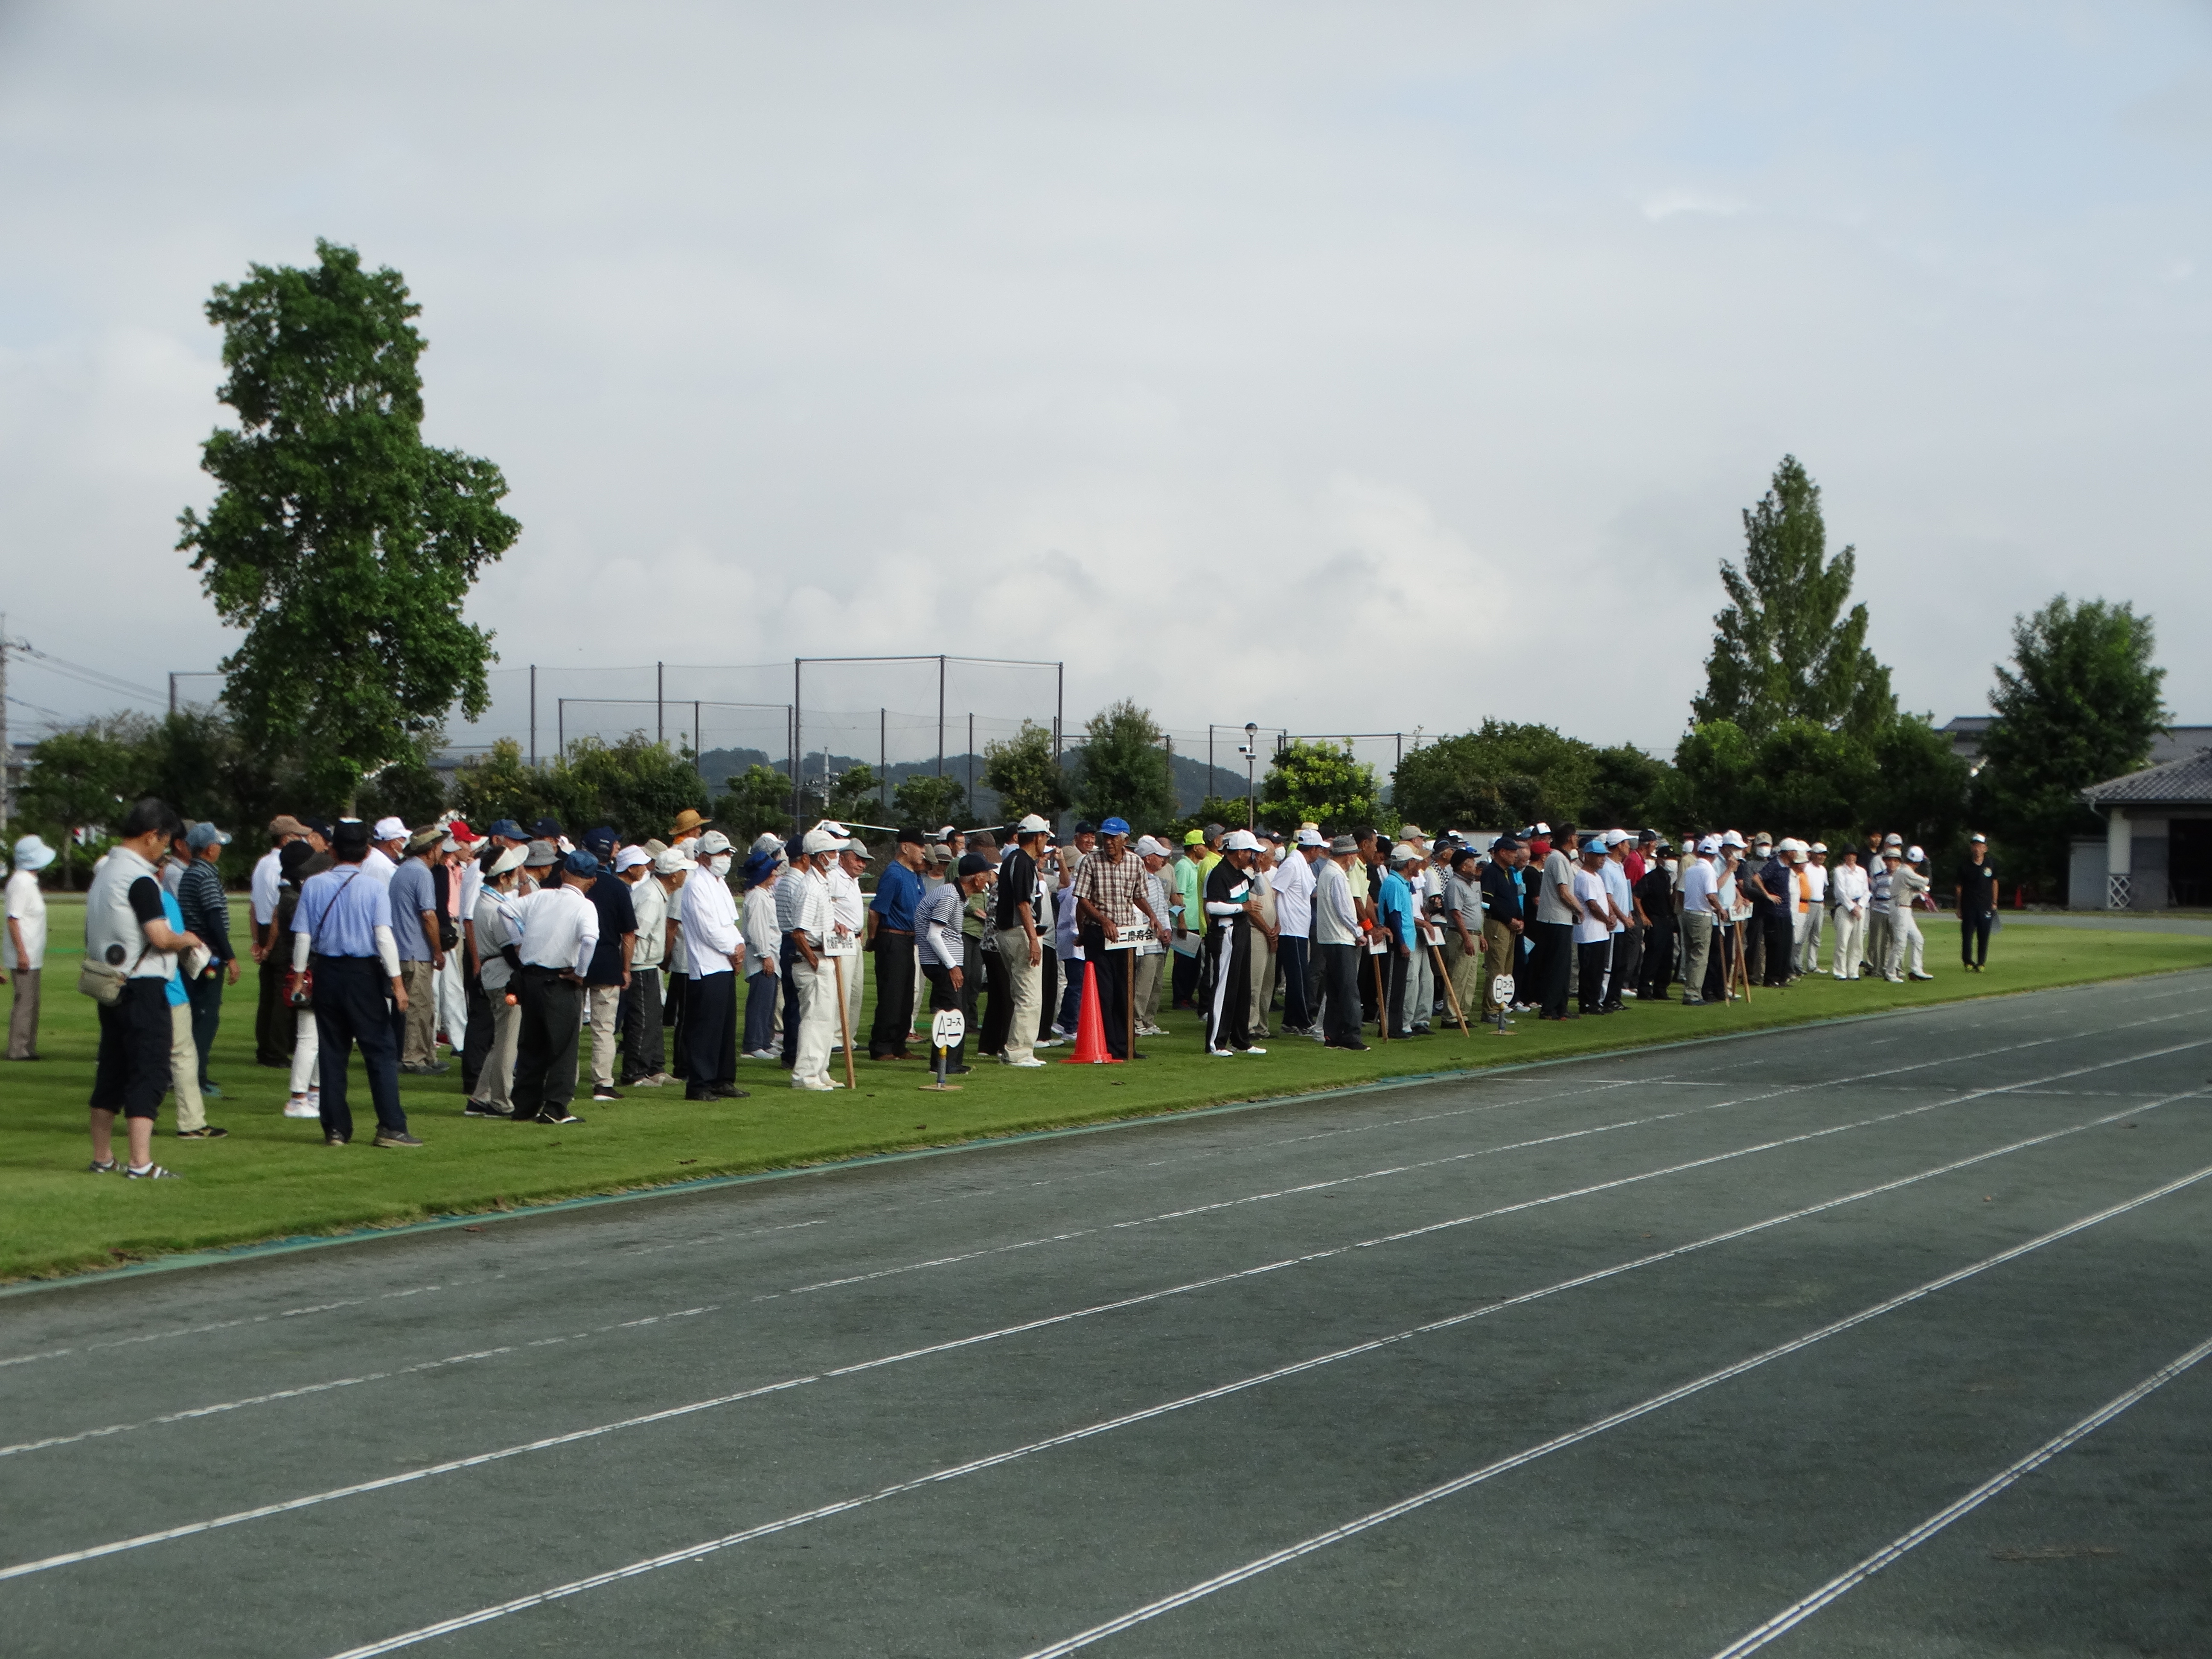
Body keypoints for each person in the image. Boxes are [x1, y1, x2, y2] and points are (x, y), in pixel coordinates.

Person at [291, 818, 421, 1147]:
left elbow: (303, 936)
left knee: (332, 1053)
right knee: (379, 1050)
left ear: (332, 850)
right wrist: (398, 984)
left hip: (328, 973)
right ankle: (391, 1125)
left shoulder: (314, 886)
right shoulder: (374, 888)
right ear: (366, 852)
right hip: (362, 974)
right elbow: (383, 937)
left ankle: (335, 1128)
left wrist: (298, 976)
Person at [509, 850, 604, 1124]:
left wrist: (519, 942)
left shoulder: (541, 896)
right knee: (563, 1046)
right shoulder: (585, 906)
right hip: (560, 981)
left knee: (532, 1044)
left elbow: (505, 910)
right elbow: (589, 940)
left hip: (530, 978)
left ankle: (524, 1106)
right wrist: (580, 974)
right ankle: (555, 1108)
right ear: (592, 881)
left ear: (563, 873)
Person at [1073, 817, 1166, 1059]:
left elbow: (1138, 896)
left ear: (1125, 839)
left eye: (1114, 838)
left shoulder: (1135, 863)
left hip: (1125, 935)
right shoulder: (1090, 861)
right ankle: (1107, 1045)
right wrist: (1103, 921)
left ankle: (1126, 1047)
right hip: (1099, 932)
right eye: (1106, 837)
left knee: (1125, 991)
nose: (1108, 842)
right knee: (1105, 991)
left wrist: (1153, 917)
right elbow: (1082, 898)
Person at [174, 821, 239, 1099]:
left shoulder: (191, 873)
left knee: (196, 1015)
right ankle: (196, 1077)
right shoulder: (206, 876)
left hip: (193, 954)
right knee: (206, 1017)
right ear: (210, 848)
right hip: (208, 956)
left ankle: (194, 1074)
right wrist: (230, 957)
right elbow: (214, 919)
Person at [464, 844, 529, 1118]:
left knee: (501, 1038)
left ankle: (481, 1097)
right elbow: (511, 953)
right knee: (507, 1042)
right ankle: (501, 1101)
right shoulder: (497, 909)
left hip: (494, 976)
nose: (516, 876)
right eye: (513, 873)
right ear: (503, 877)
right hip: (504, 977)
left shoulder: (486, 902)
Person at [575, 828, 637, 1103]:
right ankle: (603, 1083)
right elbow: (629, 934)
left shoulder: (569, 884)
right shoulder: (616, 887)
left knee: (570, 1027)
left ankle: (566, 1079)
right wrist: (627, 969)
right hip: (608, 962)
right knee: (604, 1028)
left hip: (573, 961)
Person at [680, 832, 745, 1098]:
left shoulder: (719, 883)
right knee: (706, 1028)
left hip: (725, 963)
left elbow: (729, 924)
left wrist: (739, 947)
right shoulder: (696, 885)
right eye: (720, 854)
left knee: (725, 1026)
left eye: (728, 854)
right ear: (704, 857)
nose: (725, 859)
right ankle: (700, 1084)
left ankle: (722, 1079)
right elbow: (708, 930)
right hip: (707, 965)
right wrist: (733, 950)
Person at [786, 827, 844, 1091]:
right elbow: (798, 932)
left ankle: (820, 1069)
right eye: (832, 852)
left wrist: (837, 927)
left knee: (827, 1019)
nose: (836, 856)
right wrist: (814, 961)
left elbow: (819, 925)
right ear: (820, 857)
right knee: (814, 1019)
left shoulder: (822, 884)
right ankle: (805, 1074)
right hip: (814, 960)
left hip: (825, 956)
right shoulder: (810, 887)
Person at [920, 851, 990, 1074]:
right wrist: (952, 966)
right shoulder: (950, 896)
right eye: (986, 874)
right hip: (941, 962)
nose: (988, 878)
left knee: (953, 1011)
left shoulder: (956, 895)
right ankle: (944, 1064)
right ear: (977, 878)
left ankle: (949, 1062)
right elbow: (934, 934)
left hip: (942, 961)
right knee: (953, 1012)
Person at [1200, 829, 1268, 1055]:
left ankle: (1241, 1040)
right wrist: (1242, 907)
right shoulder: (1219, 873)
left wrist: (1257, 870)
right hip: (1226, 931)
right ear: (1239, 852)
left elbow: (1259, 889)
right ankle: (1216, 1043)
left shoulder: (1241, 872)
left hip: (1241, 930)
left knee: (1242, 986)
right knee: (1223, 988)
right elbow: (1211, 906)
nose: (1253, 856)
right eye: (1250, 852)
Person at [990, 815, 1050, 1067]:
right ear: (1037, 837)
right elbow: (1023, 903)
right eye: (1045, 836)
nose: (1045, 842)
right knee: (1030, 996)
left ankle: (1014, 1048)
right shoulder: (1024, 862)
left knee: (1020, 994)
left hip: (1007, 932)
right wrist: (1033, 939)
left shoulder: (1011, 860)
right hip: (1020, 932)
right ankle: (1019, 1052)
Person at [275, 838, 329, 1118]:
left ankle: (314, 1092)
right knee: (309, 1037)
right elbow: (303, 939)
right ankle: (298, 1097)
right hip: (306, 971)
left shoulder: (294, 896)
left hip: (309, 968)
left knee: (317, 1036)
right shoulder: (295, 900)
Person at [388, 827, 447, 1073]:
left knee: (423, 1007)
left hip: (402, 949)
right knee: (419, 1008)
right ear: (432, 849)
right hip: (415, 951)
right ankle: (414, 1058)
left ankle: (427, 1056)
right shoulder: (421, 874)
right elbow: (428, 915)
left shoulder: (404, 870)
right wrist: (438, 950)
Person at [251, 815, 308, 1066]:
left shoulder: (262, 864)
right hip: (280, 932)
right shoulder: (280, 867)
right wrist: (271, 946)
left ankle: (265, 1047)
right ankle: (276, 1050)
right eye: (297, 837)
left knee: (268, 995)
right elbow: (278, 911)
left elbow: (254, 907)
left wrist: (258, 942)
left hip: (264, 930)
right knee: (282, 996)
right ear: (285, 839)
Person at [866, 829, 926, 1061]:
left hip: (908, 939)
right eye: (919, 846)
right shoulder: (894, 873)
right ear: (905, 847)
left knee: (905, 996)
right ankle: (882, 1046)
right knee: (892, 994)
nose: (923, 851)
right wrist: (874, 940)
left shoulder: (913, 875)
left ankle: (899, 1044)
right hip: (893, 937)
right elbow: (875, 910)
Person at [617, 845, 669, 1085]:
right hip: (640, 964)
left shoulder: (652, 892)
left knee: (653, 1017)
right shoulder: (650, 895)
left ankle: (653, 1067)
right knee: (642, 1019)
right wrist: (627, 967)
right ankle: (635, 1072)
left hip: (648, 964)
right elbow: (635, 935)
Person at [1312, 834, 1367, 1050]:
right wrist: (1358, 932)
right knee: (1348, 990)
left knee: (1335, 990)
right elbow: (1344, 910)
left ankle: (1332, 1036)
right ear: (1348, 856)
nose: (1355, 860)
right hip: (1340, 938)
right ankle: (1351, 1036)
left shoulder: (1328, 872)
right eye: (1354, 855)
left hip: (1329, 938)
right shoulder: (1337, 876)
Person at [6, 833, 56, 1060]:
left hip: (32, 954)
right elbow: (13, 919)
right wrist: (21, 953)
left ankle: (27, 1046)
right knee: (25, 1002)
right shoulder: (21, 883)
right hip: (24, 954)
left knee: (31, 1001)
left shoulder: (28, 882)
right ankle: (18, 1049)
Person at [1270, 828, 1319, 1034]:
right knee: (1299, 976)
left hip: (1299, 928)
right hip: (1290, 929)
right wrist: (1277, 922)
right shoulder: (1292, 864)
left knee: (1299, 975)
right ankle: (1302, 1020)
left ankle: (1291, 1020)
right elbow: (1275, 892)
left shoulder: (1303, 864)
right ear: (1314, 849)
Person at [738, 849, 783, 1062]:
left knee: (769, 1000)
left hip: (772, 954)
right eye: (772, 873)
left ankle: (765, 1041)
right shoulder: (757, 896)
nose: (775, 876)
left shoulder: (765, 895)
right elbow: (757, 930)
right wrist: (765, 955)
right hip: (762, 956)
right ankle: (753, 1044)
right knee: (760, 1000)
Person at [827, 838, 871, 1057]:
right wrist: (834, 923)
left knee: (856, 991)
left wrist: (859, 928)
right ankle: (836, 1037)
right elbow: (826, 904)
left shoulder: (854, 880)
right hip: (840, 940)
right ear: (843, 858)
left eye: (865, 861)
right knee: (841, 989)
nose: (862, 864)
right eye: (858, 859)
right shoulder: (834, 877)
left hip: (855, 940)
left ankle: (849, 1037)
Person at [1534, 828, 1583, 1020]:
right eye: (1576, 836)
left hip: (1560, 918)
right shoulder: (1559, 859)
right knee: (1558, 965)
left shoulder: (1560, 859)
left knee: (1563, 966)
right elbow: (1563, 891)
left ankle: (1560, 1007)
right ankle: (1550, 1007)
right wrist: (1579, 909)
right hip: (1556, 919)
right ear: (1570, 838)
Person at [1133, 836, 1176, 1038]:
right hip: (1146, 940)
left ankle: (1149, 1020)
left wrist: (1167, 930)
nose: (1163, 861)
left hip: (1159, 940)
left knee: (1156, 983)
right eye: (1159, 857)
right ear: (1148, 858)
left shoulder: (1157, 880)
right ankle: (1136, 1020)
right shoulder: (1139, 878)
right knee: (1144, 982)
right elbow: (1140, 911)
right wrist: (1157, 931)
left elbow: (1163, 910)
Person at [1571, 838, 1615, 1015]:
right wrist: (1607, 919)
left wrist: (1610, 917)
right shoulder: (1584, 877)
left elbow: (1604, 900)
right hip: (1589, 931)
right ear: (1587, 856)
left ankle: (1595, 1000)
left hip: (1600, 931)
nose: (1603, 859)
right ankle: (1587, 1003)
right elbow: (1592, 905)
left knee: (1597, 969)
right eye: (1599, 856)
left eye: (1604, 856)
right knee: (1589, 970)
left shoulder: (1597, 876)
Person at [1676, 835, 1718, 1007]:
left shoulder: (1691, 869)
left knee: (1690, 954)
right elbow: (1711, 895)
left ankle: (1690, 990)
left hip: (1688, 913)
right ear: (1714, 855)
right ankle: (1693, 994)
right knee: (1700, 955)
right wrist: (1721, 909)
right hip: (1701, 915)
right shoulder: (1708, 870)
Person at [1886, 846, 1936, 982]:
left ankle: (1916, 970)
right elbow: (1927, 883)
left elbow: (1920, 888)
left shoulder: (1904, 871)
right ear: (1918, 863)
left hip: (1905, 908)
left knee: (1918, 939)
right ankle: (1890, 973)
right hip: (1900, 908)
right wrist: (1929, 865)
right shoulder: (1906, 873)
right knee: (1900, 943)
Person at [1635, 840, 1675, 1001]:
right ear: (1659, 859)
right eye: (1668, 858)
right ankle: (1644, 988)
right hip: (1655, 919)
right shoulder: (1651, 878)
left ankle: (1661, 988)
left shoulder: (1669, 878)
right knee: (1653, 955)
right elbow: (1637, 895)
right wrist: (1643, 916)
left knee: (1667, 956)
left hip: (1667, 920)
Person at [1957, 833, 1999, 972]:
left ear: (1985, 848)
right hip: (1969, 905)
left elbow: (1994, 883)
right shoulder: (1965, 865)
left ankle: (1981, 962)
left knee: (1984, 935)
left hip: (1985, 905)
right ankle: (1968, 961)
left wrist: (1994, 902)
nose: (1977, 849)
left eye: (1980, 846)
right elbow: (1959, 887)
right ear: (1971, 848)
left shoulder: (1990, 864)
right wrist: (1959, 907)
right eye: (1975, 846)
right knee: (1968, 935)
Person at [1828, 848, 1869, 981]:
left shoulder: (1862, 871)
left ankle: (1853, 971)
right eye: (1849, 855)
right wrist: (1852, 908)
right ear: (1845, 857)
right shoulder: (1840, 871)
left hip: (1860, 907)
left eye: (1854, 855)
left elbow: (1866, 892)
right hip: (1844, 908)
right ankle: (1840, 971)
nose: (1852, 857)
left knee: (1858, 942)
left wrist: (1860, 906)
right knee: (1843, 941)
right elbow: (1841, 892)